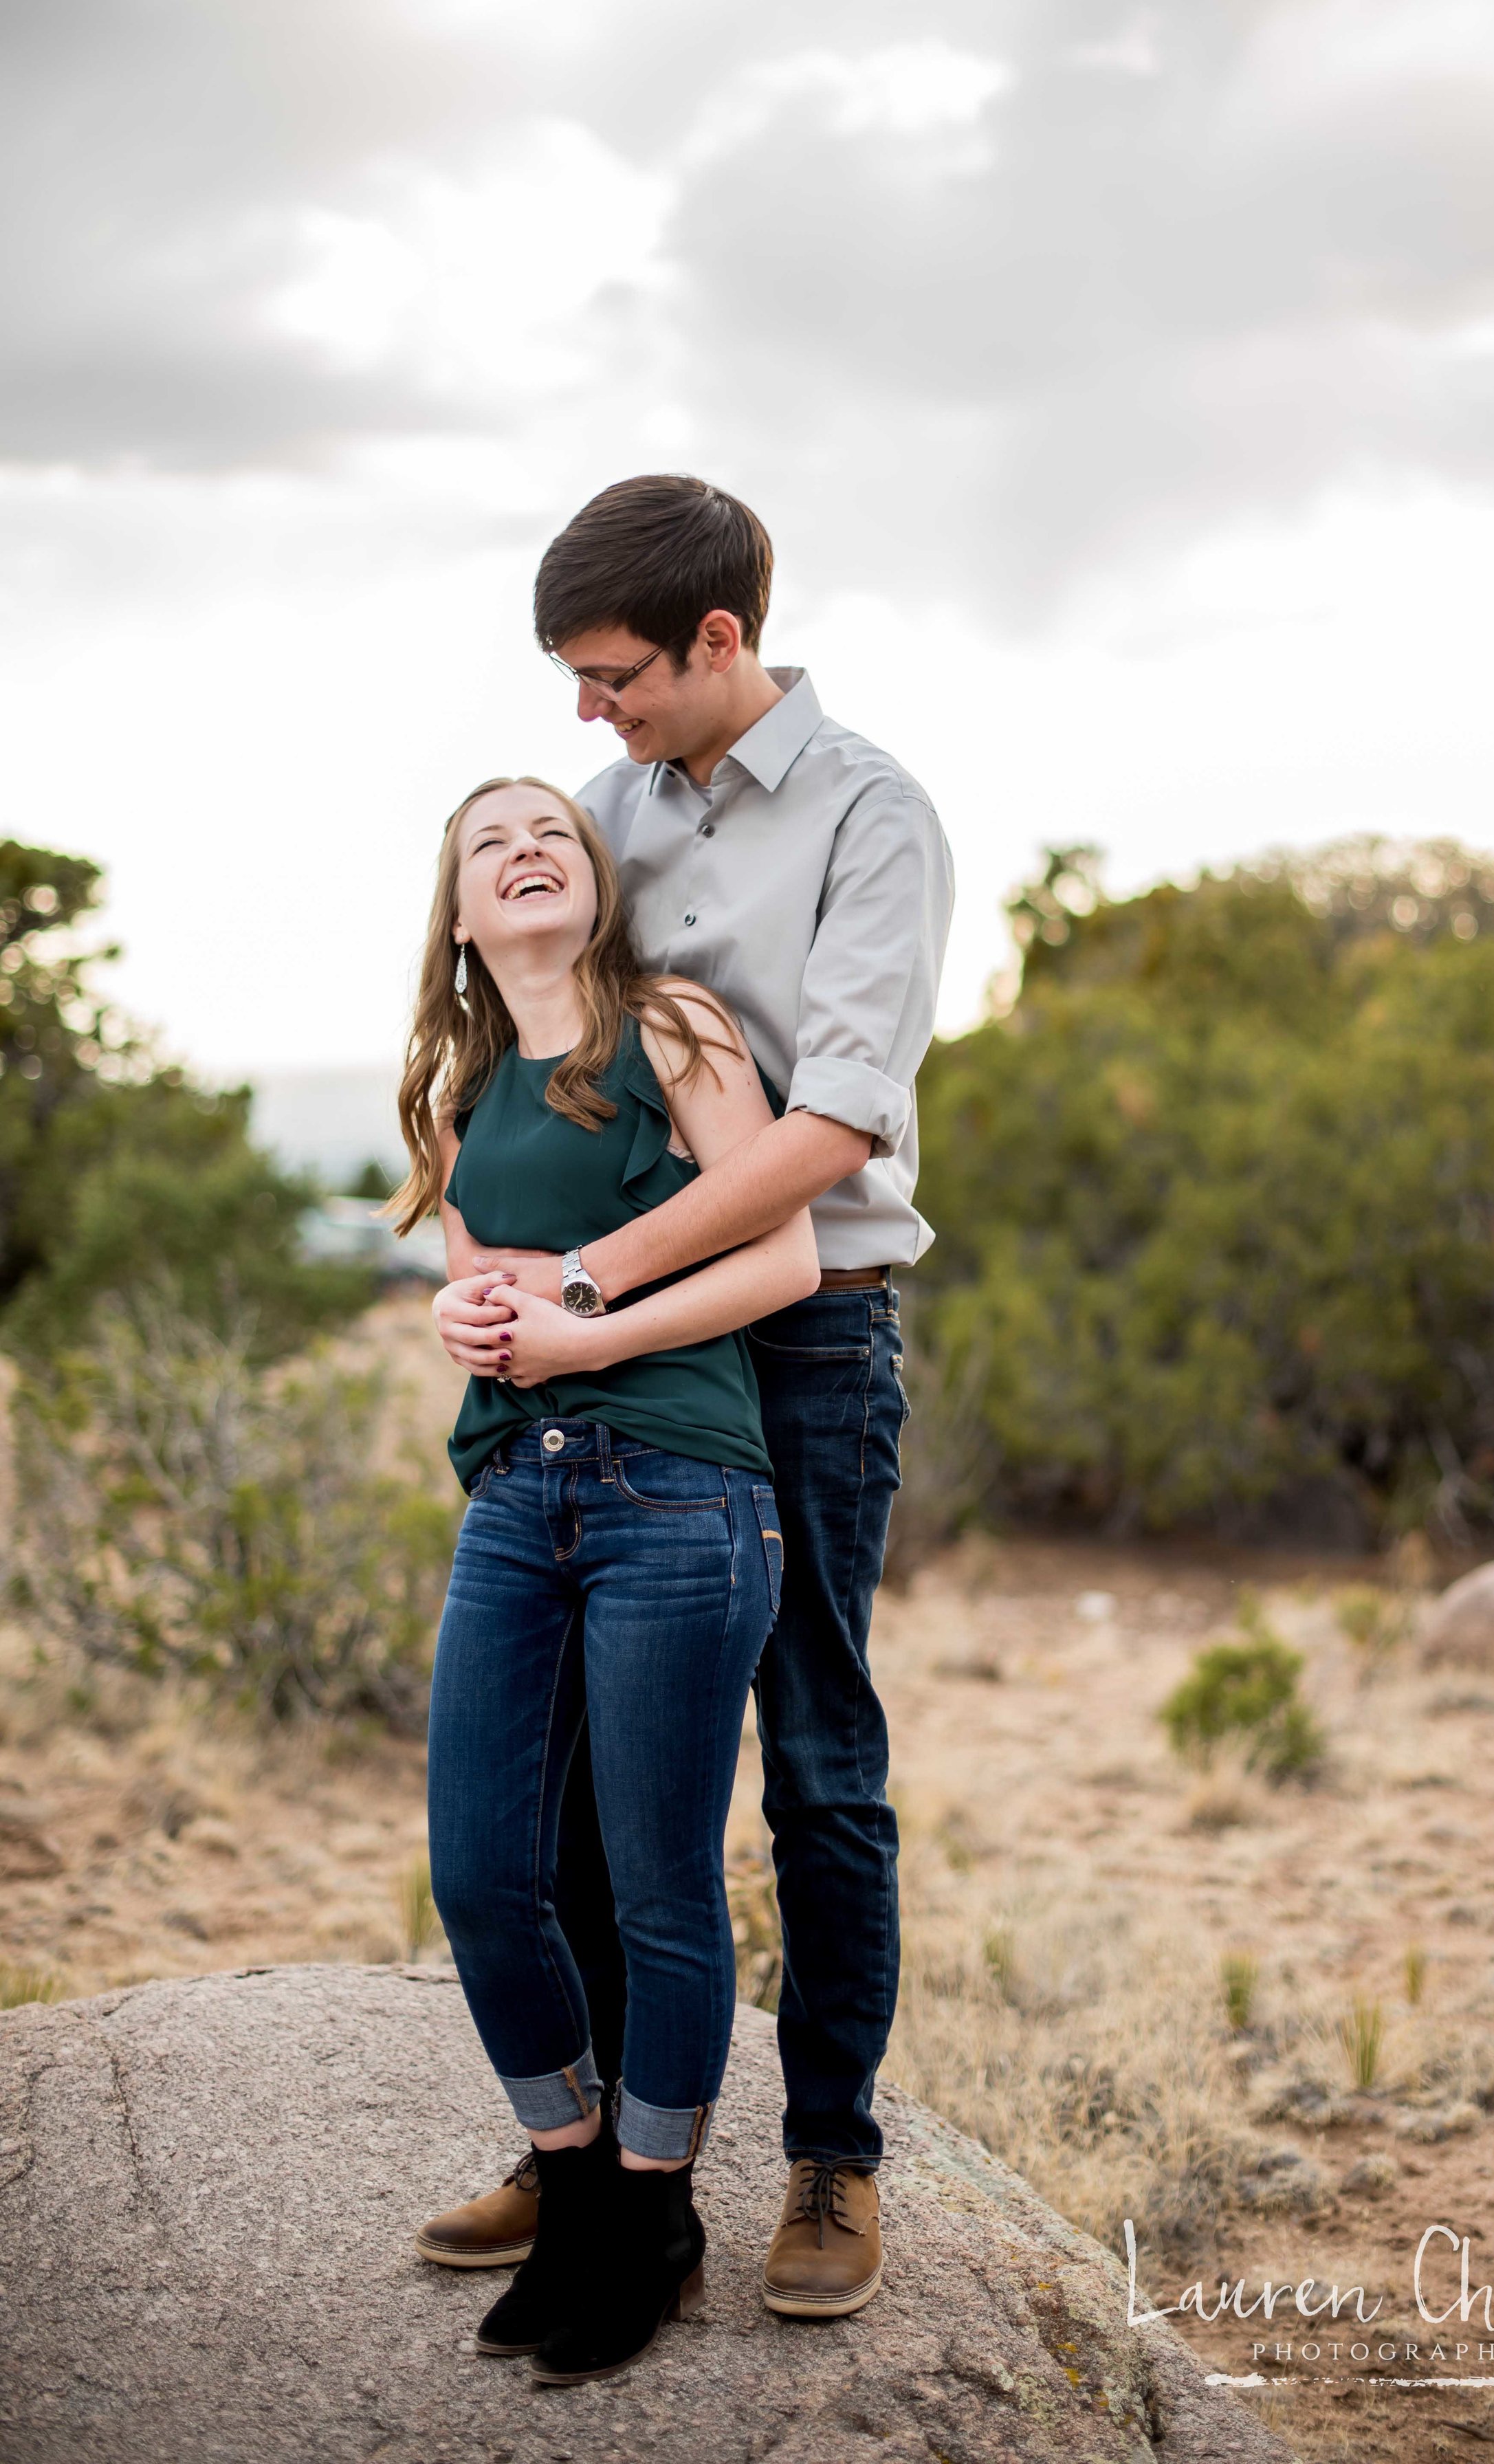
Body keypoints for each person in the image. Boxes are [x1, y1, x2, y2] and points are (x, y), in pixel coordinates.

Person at [415, 476, 954, 2318]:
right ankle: (593, 2163)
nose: (594, 713)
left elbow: (822, 1131)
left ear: (719, 640)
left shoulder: (871, 816)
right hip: (599, 1355)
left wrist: (590, 1289)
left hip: (799, 1342)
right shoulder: (615, 811)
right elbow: (549, 1038)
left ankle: (830, 2157)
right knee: (570, 1772)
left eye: (616, 674)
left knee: (812, 1756)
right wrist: (498, 1280)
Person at [395, 773, 821, 2384]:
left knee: (657, 1887)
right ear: (455, 909)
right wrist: (470, 1322)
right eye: (487, 838)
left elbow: (783, 1252)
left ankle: (651, 2212)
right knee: (482, 1870)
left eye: (550, 832)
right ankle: (571, 2180)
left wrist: (585, 1326)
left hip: (680, 1493)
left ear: (596, 882)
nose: (522, 847)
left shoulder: (674, 1026)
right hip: (514, 1492)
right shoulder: (454, 1092)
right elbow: (482, 1297)